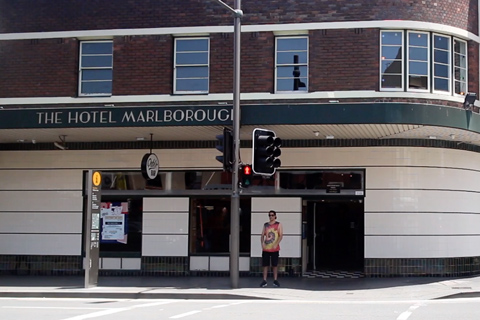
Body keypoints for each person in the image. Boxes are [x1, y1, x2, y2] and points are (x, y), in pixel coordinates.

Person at [260, 210, 283, 287]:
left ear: (275, 216)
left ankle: (275, 280)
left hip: (274, 248)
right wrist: (262, 243)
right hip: (266, 248)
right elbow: (262, 235)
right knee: (265, 265)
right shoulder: (266, 225)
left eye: (272, 215)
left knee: (275, 265)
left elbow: (281, 235)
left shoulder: (278, 224)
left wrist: (276, 244)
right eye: (269, 215)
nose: (271, 217)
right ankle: (264, 280)